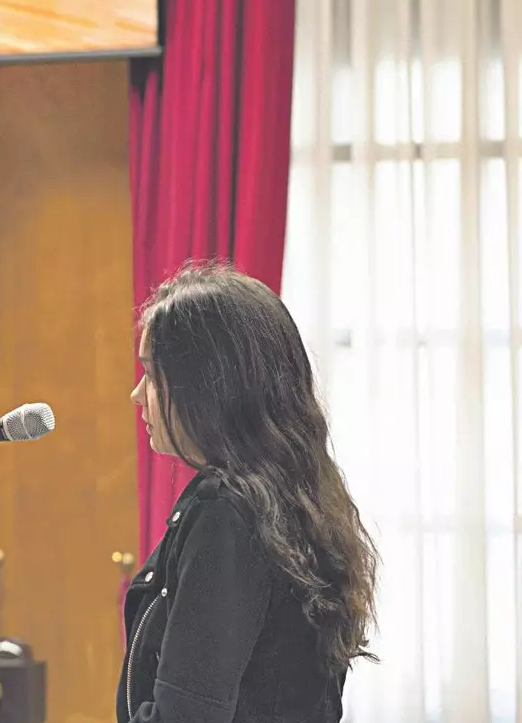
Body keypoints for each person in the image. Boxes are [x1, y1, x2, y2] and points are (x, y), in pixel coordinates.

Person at [120, 262, 378, 723]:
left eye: (153, 375)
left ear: (208, 384)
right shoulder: (294, 496)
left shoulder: (225, 511)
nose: (138, 394)